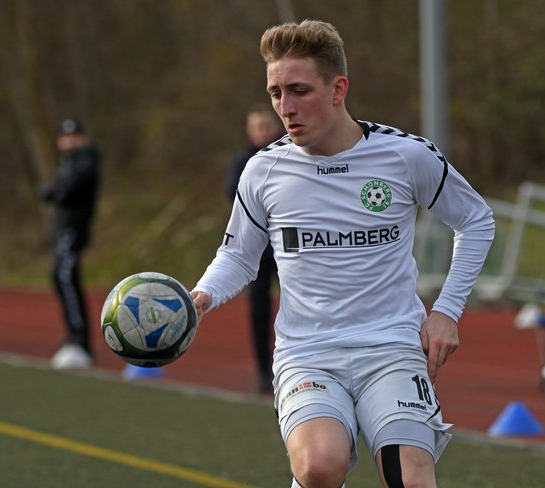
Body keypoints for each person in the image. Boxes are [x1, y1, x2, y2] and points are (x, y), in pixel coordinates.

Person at [191, 20, 495, 487]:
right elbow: (238, 257)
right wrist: (203, 294)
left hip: (392, 347)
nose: (285, 107)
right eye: (275, 93)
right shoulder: (263, 170)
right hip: (308, 353)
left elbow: (475, 220)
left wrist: (447, 312)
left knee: (411, 479)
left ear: (338, 89)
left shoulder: (405, 156)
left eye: (299, 90)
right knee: (320, 467)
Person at [226, 105, 284, 393]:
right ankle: (264, 371)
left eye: (266, 125)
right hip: (258, 249)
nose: (263, 131)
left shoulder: (290, 154)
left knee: (301, 303)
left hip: (290, 247)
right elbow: (233, 194)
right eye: (257, 126)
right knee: (259, 309)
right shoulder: (244, 161)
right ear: (249, 132)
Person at [41, 118, 100, 369]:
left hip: (73, 229)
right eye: (64, 136)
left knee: (63, 276)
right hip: (63, 229)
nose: (68, 140)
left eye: (73, 135)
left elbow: (64, 191)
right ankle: (75, 336)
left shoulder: (86, 160)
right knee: (65, 278)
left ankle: (79, 340)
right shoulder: (68, 162)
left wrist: (54, 191)